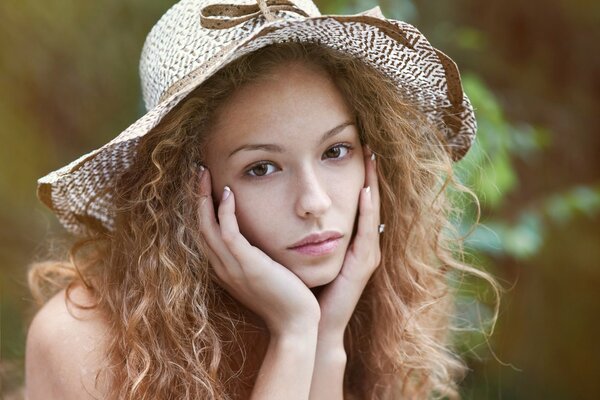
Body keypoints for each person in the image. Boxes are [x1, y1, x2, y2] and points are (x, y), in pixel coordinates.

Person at [25, 0, 498, 399]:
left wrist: (326, 335)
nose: (313, 202)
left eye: (336, 151)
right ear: (182, 193)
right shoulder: (81, 338)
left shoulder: (369, 314)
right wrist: (295, 335)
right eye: (261, 168)